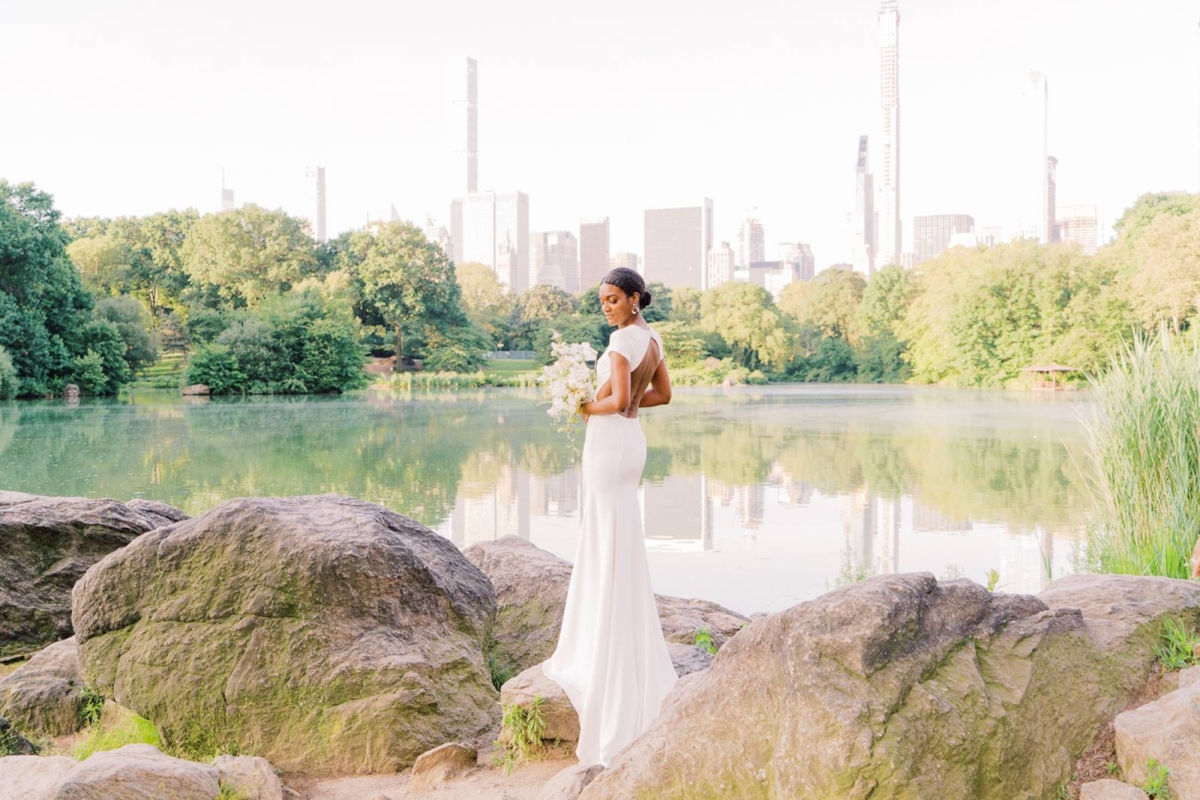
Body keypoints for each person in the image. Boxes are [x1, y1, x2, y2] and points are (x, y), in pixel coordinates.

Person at [541, 267, 678, 769]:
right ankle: (622, 621)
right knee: (619, 532)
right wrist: (620, 404)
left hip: (608, 443)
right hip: (632, 443)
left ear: (636, 298)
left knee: (603, 532)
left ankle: (602, 635)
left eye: (615, 298)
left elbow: (618, 399)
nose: (607, 306)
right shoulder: (653, 340)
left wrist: (584, 404)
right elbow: (659, 395)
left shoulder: (623, 340)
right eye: (602, 300)